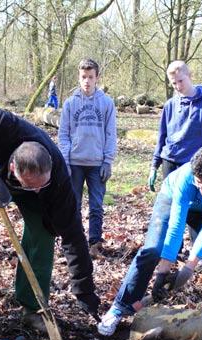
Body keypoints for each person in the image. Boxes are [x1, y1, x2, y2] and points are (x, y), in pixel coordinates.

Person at [0, 85, 100, 333]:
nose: (40, 190)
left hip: (26, 184)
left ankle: (33, 308)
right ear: (14, 170)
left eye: (43, 185)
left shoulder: (57, 181)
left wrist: (85, 293)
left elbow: (73, 235)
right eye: (34, 186)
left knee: (43, 232)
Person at [98, 146, 202, 336]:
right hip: (171, 200)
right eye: (199, 182)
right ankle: (120, 307)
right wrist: (163, 272)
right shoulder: (185, 178)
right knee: (152, 250)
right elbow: (176, 224)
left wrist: (189, 268)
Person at [58, 59, 117, 256]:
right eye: (83, 77)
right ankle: (74, 242)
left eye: (91, 77)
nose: (87, 81)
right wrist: (65, 161)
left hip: (97, 163)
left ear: (96, 78)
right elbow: (64, 134)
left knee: (96, 205)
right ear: (79, 77)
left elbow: (111, 134)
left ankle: (95, 243)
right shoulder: (70, 103)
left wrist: (107, 161)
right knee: (72, 204)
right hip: (75, 163)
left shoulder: (106, 103)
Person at [148, 61, 202, 192]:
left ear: (190, 76)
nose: (178, 86)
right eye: (173, 83)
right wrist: (154, 166)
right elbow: (162, 137)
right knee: (172, 204)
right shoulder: (170, 105)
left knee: (192, 206)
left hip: (194, 163)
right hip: (170, 161)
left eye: (180, 81)